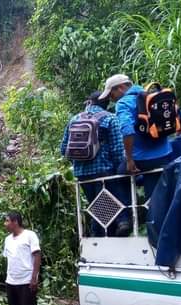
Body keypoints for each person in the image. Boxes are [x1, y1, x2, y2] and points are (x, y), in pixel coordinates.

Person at [100, 74, 172, 224]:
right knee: (153, 193)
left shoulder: (124, 103)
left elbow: (127, 131)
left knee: (120, 175)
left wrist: (130, 159)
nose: (111, 98)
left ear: (121, 88)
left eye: (111, 94)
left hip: (142, 158)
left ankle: (125, 219)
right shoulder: (154, 96)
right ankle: (158, 224)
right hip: (165, 154)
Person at [60, 91, 125, 236]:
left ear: (90, 102)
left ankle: (104, 234)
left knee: (97, 205)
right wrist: (119, 168)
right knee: (106, 204)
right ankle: (116, 227)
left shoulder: (75, 119)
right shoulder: (110, 118)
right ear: (106, 103)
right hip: (104, 170)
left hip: (82, 173)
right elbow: (118, 149)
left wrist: (78, 161)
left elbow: (64, 149)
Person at [3, 212, 41, 305]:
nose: (5, 224)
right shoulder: (7, 239)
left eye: (7, 221)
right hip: (11, 280)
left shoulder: (29, 235)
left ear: (15, 222)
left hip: (26, 280)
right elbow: (9, 259)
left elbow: (37, 255)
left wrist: (34, 278)